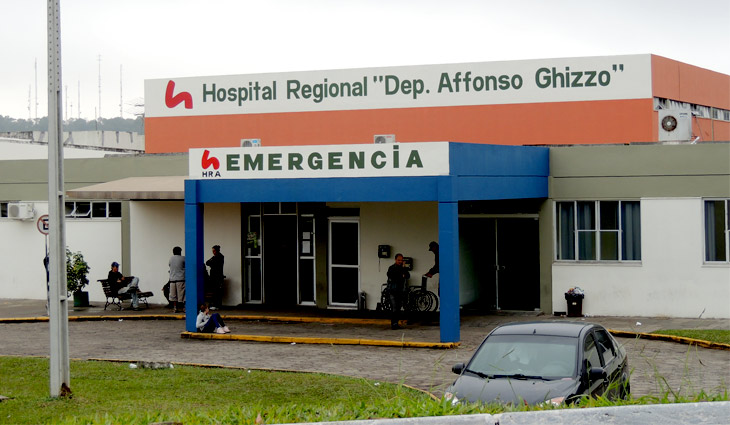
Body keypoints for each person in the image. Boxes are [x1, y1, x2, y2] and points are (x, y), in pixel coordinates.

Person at [386, 253, 410, 330]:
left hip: (400, 291)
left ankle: (396, 323)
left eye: (401, 260)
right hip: (393, 290)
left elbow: (407, 276)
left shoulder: (403, 268)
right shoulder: (392, 268)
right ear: (395, 260)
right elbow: (392, 276)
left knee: (398, 308)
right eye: (399, 260)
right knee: (394, 308)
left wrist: (403, 269)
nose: (400, 261)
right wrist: (401, 275)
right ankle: (393, 324)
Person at [168, 246, 186, 313]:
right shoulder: (183, 258)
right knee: (182, 295)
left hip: (172, 280)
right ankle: (184, 308)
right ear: (180, 252)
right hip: (181, 279)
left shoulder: (171, 259)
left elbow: (170, 266)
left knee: (173, 295)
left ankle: (175, 308)